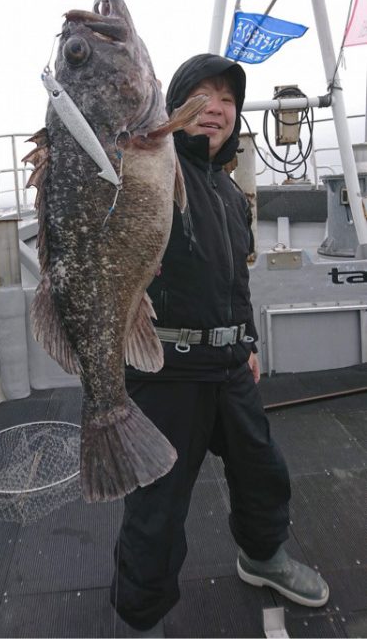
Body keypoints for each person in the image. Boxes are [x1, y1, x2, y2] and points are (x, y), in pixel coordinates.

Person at [110, 54, 329, 634]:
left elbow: (236, 281)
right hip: (166, 371)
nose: (216, 109)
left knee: (263, 472)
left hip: (230, 364)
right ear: (173, 109)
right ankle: (139, 613)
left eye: (228, 101)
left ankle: (263, 557)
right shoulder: (148, 171)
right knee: (156, 508)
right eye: (201, 97)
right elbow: (109, 169)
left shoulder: (231, 194)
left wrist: (249, 342)